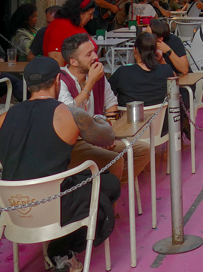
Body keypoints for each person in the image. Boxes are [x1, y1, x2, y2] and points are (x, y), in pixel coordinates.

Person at [0, 57, 120, 272]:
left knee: (79, 179)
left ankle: (60, 251)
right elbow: (107, 138)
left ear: (27, 84)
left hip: (16, 209)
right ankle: (62, 250)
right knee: (109, 184)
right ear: (58, 80)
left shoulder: (2, 119)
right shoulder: (69, 114)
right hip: (55, 206)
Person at [55, 33, 148, 182]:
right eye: (89, 54)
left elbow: (111, 104)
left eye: (94, 51)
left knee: (142, 151)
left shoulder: (96, 73)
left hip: (97, 135)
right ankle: (104, 191)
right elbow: (69, 112)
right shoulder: (61, 79)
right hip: (74, 144)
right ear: (73, 61)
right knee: (115, 161)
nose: (95, 57)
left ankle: (107, 190)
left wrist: (106, 132)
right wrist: (90, 82)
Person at [42, 0, 97, 65]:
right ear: (80, 12)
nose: (91, 17)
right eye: (90, 14)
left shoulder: (76, 24)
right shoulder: (60, 27)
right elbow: (56, 61)